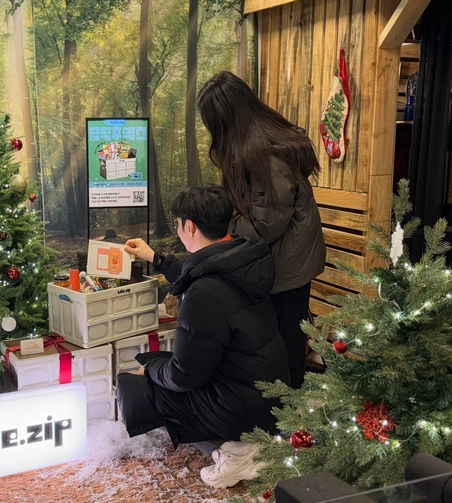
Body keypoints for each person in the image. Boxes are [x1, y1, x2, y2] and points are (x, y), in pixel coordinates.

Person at [116, 185, 290, 489]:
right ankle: (249, 440)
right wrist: (155, 258)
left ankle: (238, 451)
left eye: (178, 223)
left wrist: (149, 369)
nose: (178, 229)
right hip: (269, 394)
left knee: (139, 388)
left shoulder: (203, 294)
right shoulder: (246, 257)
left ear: (190, 227)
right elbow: (200, 272)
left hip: (241, 408)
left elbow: (183, 377)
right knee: (159, 364)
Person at [196, 71, 326, 389]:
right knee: (279, 346)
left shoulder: (267, 155)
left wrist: (222, 230)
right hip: (279, 264)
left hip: (287, 269)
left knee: (286, 349)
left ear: (225, 120)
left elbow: (267, 224)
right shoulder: (254, 146)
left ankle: (289, 412)